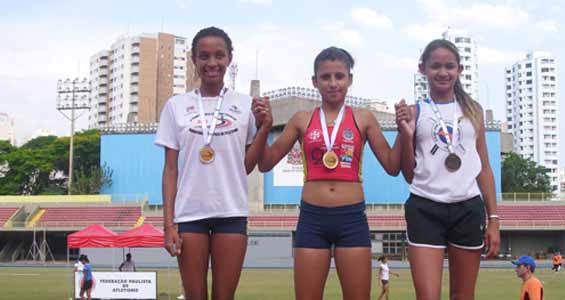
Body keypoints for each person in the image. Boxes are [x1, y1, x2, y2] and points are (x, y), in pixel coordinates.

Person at [258, 46, 404, 300]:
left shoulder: (364, 117)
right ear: (315, 81)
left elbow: (392, 166)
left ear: (350, 79)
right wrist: (263, 129)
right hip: (312, 219)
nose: (333, 83)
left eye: (339, 76)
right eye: (326, 77)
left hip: (351, 219)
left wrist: (403, 130)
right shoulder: (301, 119)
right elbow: (266, 163)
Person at [155, 26, 272, 300]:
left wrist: (264, 127)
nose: (212, 63)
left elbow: (246, 166)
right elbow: (170, 170)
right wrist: (169, 224)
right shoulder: (176, 106)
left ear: (229, 59)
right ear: (194, 60)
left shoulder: (245, 105)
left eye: (219, 56)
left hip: (231, 212)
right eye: (204, 56)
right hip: (189, 215)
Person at [394, 38, 500, 300]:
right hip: (425, 206)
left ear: (459, 70)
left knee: (463, 296)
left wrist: (494, 219)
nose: (443, 72)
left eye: (450, 66)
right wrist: (406, 135)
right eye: (436, 66)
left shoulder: (473, 110)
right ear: (423, 69)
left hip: (467, 207)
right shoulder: (414, 112)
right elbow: (408, 173)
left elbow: (484, 168)